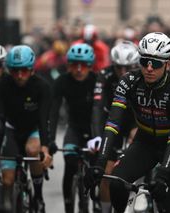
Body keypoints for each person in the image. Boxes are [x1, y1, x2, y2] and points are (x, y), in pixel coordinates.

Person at [87, 32, 170, 213]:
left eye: (156, 63)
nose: (149, 68)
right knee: (116, 184)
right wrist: (100, 162)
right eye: (145, 62)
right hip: (145, 143)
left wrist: (164, 174)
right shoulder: (128, 81)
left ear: (169, 64)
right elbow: (113, 123)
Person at [0, 45, 52, 213]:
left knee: (32, 150)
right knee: (7, 181)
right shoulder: (1, 85)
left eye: (24, 71)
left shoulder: (42, 87)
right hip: (11, 128)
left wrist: (45, 149)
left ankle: (38, 196)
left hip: (33, 129)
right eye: (15, 71)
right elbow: (0, 119)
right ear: (9, 70)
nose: (19, 76)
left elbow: (43, 120)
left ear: (32, 69)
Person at [90, 40, 139, 213]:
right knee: (107, 175)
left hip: (134, 119)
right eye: (119, 67)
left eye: (128, 68)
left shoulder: (141, 75)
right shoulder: (104, 75)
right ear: (113, 64)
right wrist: (97, 135)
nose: (123, 72)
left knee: (137, 138)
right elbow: (97, 107)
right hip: (112, 120)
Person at [49, 43, 97, 213]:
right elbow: (53, 112)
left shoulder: (97, 81)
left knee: (96, 167)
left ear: (90, 66)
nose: (78, 69)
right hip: (74, 128)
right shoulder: (61, 81)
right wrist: (51, 140)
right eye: (74, 65)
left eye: (83, 65)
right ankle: (69, 206)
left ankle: (96, 202)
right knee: (70, 162)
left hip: (94, 129)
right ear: (68, 65)